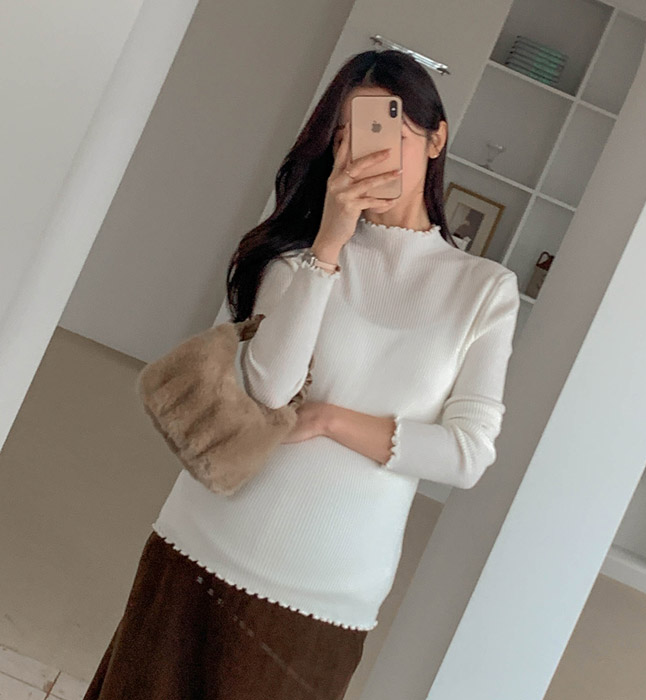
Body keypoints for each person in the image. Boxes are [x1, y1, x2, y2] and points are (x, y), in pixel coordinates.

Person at [83, 48, 520, 700]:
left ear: (436, 138)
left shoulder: (484, 291)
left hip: (326, 598)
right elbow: (270, 388)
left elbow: (467, 453)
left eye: (390, 133)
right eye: (348, 136)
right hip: (201, 549)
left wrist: (331, 420)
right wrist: (329, 246)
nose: (367, 154)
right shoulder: (300, 254)